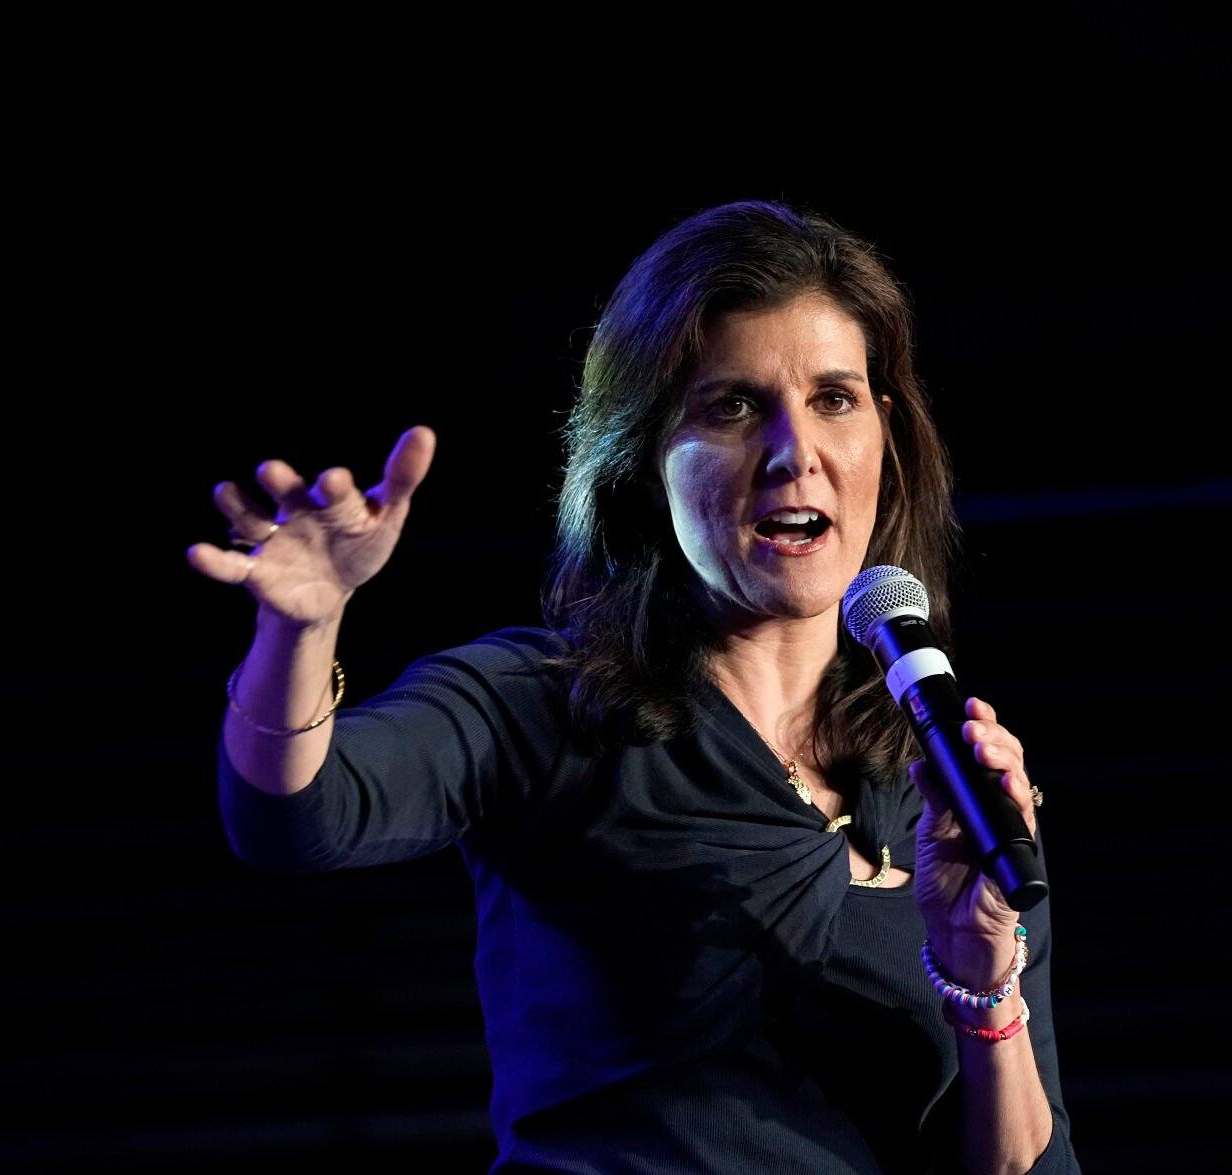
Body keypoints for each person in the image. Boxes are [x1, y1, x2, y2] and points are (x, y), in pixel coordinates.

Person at [188, 200, 1081, 1174]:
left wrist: (982, 984)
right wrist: (300, 628)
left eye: (834, 397)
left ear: (886, 435)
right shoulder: (541, 702)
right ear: (642, 456)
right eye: (732, 406)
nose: (796, 451)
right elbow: (293, 815)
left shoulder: (949, 794)